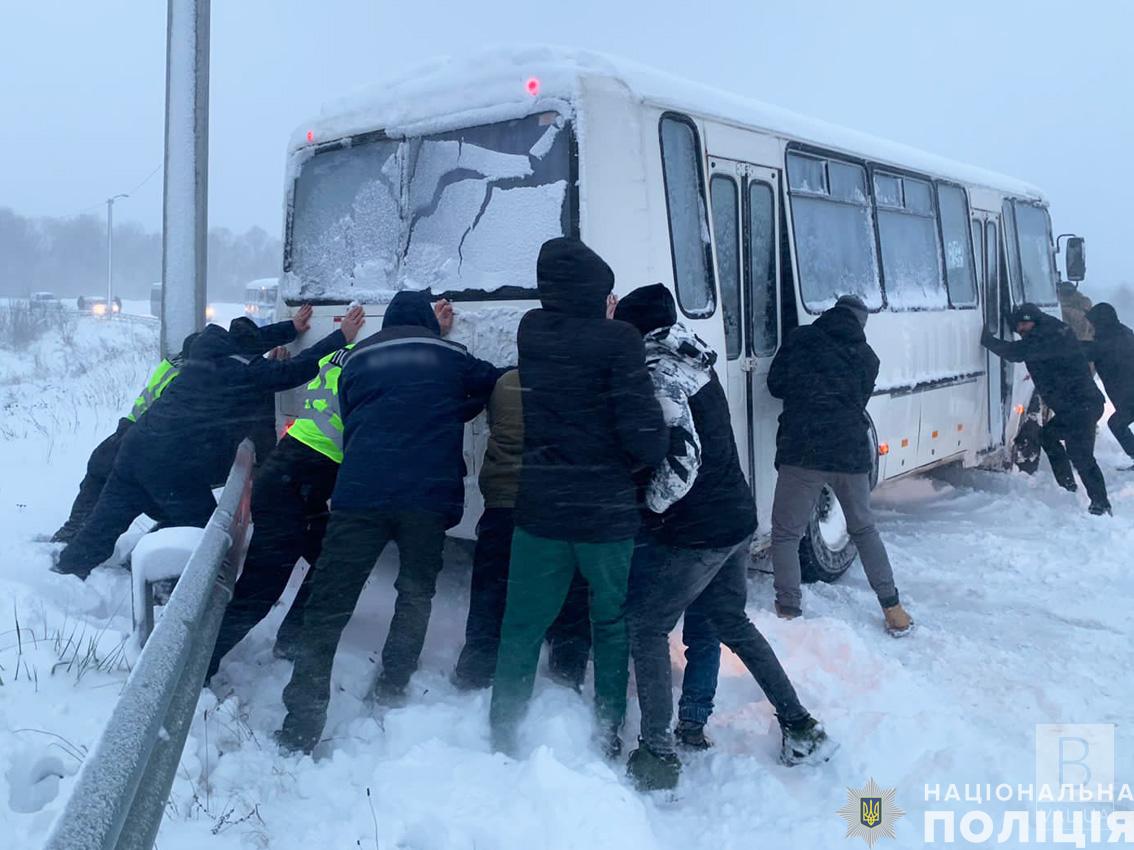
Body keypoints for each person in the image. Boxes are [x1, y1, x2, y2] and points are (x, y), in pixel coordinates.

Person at [613, 285, 835, 790]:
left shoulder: (659, 374)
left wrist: (652, 503)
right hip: (736, 517)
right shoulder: (694, 360)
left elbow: (683, 459)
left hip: (701, 530)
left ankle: (657, 753)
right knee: (732, 622)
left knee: (646, 627)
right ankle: (800, 725)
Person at [277, 291, 503, 754]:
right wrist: (450, 408)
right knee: (415, 591)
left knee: (330, 603)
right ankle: (395, 680)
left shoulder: (358, 359)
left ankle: (301, 722)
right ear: (430, 324)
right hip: (427, 496)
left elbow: (359, 408)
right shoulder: (452, 356)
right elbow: (492, 384)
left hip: (361, 493)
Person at [489, 238, 668, 758]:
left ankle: (504, 735)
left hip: (541, 508)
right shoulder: (619, 341)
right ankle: (606, 729)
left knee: (521, 625)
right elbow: (645, 439)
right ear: (599, 292)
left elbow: (570, 337)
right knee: (609, 623)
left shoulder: (532, 330)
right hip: (604, 514)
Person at [53, 307, 359, 579]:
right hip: (172, 465)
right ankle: (169, 588)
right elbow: (291, 371)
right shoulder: (240, 369)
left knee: (103, 525)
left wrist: (290, 329)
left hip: (134, 448)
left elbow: (248, 341)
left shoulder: (204, 349)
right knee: (200, 534)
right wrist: (339, 337)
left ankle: (64, 573)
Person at [207, 326, 373, 680]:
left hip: (292, 475)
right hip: (292, 487)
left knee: (333, 557)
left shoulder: (339, 355)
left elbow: (306, 363)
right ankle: (201, 663)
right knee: (261, 588)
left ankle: (292, 638)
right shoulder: (373, 366)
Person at [767, 295, 913, 635]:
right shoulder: (867, 357)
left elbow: (776, 386)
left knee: (787, 533)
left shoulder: (801, 339)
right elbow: (856, 401)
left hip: (802, 450)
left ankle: (788, 609)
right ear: (860, 323)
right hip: (849, 453)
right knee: (863, 529)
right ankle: (893, 607)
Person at [451, 370, 593, 692]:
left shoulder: (504, 383)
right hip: (556, 504)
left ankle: (477, 665)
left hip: (502, 501)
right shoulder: (574, 381)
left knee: (493, 586)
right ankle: (566, 669)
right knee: (569, 589)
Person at [50, 333, 199, 543]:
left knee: (101, 477)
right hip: (143, 438)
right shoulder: (187, 377)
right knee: (162, 503)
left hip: (127, 428)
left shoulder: (172, 363)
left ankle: (73, 532)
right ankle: (83, 538)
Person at [983, 303, 1110, 514]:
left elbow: (1015, 352)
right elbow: (1026, 331)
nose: (1021, 330)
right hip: (1074, 407)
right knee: (1048, 436)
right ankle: (1067, 486)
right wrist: (1009, 316)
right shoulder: (1049, 328)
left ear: (1034, 322)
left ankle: (1101, 504)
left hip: (1082, 406)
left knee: (1081, 456)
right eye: (1019, 326)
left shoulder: (1045, 338)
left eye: (1025, 325)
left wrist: (987, 340)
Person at [1084, 303, 1134, 468]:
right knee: (1116, 424)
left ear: (1100, 322)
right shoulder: (1122, 332)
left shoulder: (1108, 342)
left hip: (1130, 396)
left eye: (1093, 323)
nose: (1090, 328)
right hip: (1128, 396)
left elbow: (1085, 351)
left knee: (1116, 424)